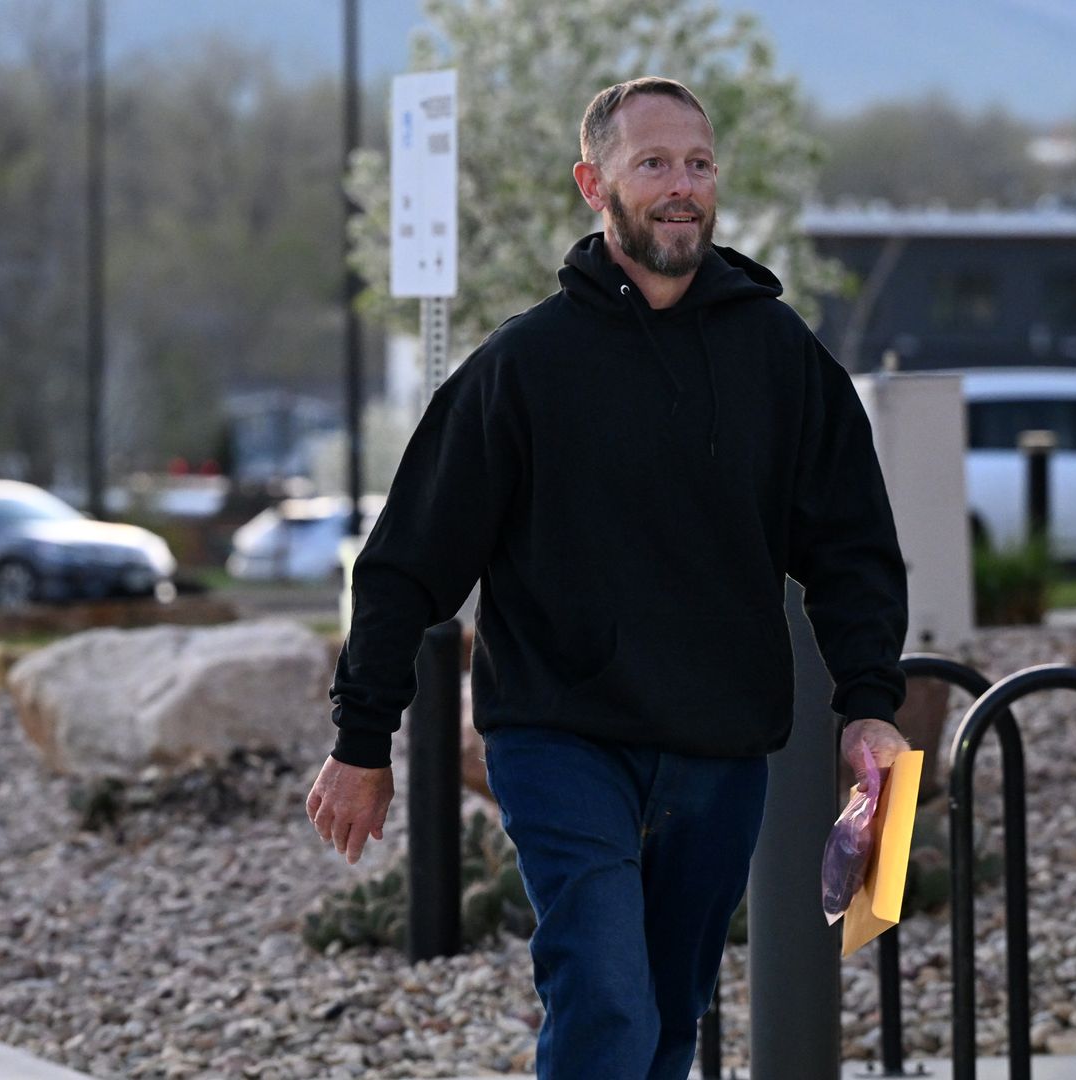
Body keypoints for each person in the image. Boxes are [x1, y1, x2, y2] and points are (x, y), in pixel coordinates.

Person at [307, 76, 910, 1079]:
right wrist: (362, 739)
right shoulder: (526, 367)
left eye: (699, 164)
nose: (683, 187)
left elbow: (852, 544)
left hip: (718, 747)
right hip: (561, 735)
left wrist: (868, 702)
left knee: (670, 1018)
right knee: (607, 1002)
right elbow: (409, 560)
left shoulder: (779, 357)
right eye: (654, 163)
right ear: (594, 183)